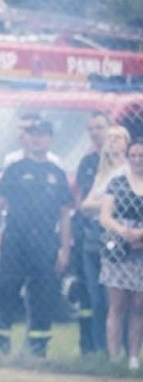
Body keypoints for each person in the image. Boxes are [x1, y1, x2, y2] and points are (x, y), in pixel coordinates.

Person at [0, 119, 72, 357]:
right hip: (15, 239)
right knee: (6, 290)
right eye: (33, 134)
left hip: (45, 242)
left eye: (42, 134)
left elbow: (65, 215)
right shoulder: (15, 169)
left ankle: (37, 350)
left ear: (50, 138)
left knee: (43, 295)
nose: (37, 139)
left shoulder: (57, 173)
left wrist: (65, 249)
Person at [72, 114, 119, 356]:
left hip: (119, 238)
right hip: (90, 235)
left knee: (117, 299)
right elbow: (83, 203)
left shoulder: (128, 166)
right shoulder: (89, 163)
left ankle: (120, 352)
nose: (95, 132)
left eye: (100, 127)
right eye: (90, 128)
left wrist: (105, 206)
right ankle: (94, 349)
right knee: (93, 297)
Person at [96, 135, 143, 369]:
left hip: (141, 249)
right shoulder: (117, 182)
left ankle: (134, 356)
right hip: (118, 247)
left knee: (138, 305)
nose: (137, 160)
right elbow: (105, 216)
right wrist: (124, 231)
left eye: (141, 156)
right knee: (117, 305)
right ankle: (114, 357)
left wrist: (140, 233)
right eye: (133, 155)